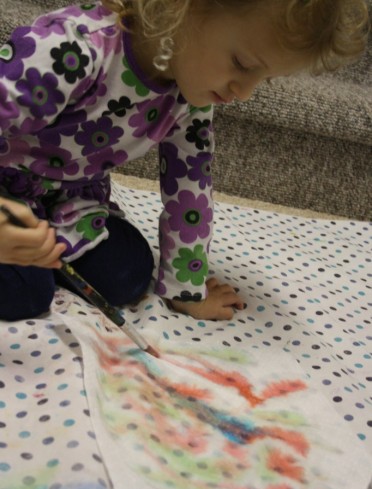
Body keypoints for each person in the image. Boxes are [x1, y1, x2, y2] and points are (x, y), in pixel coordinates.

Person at [0, 0, 368, 322]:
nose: (244, 93)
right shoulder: (71, 49)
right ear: (180, 6)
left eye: (265, 80)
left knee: (127, 274)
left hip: (69, 200)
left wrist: (186, 289)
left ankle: (34, 249)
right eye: (241, 63)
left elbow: (190, 187)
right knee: (25, 293)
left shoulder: (189, 96)